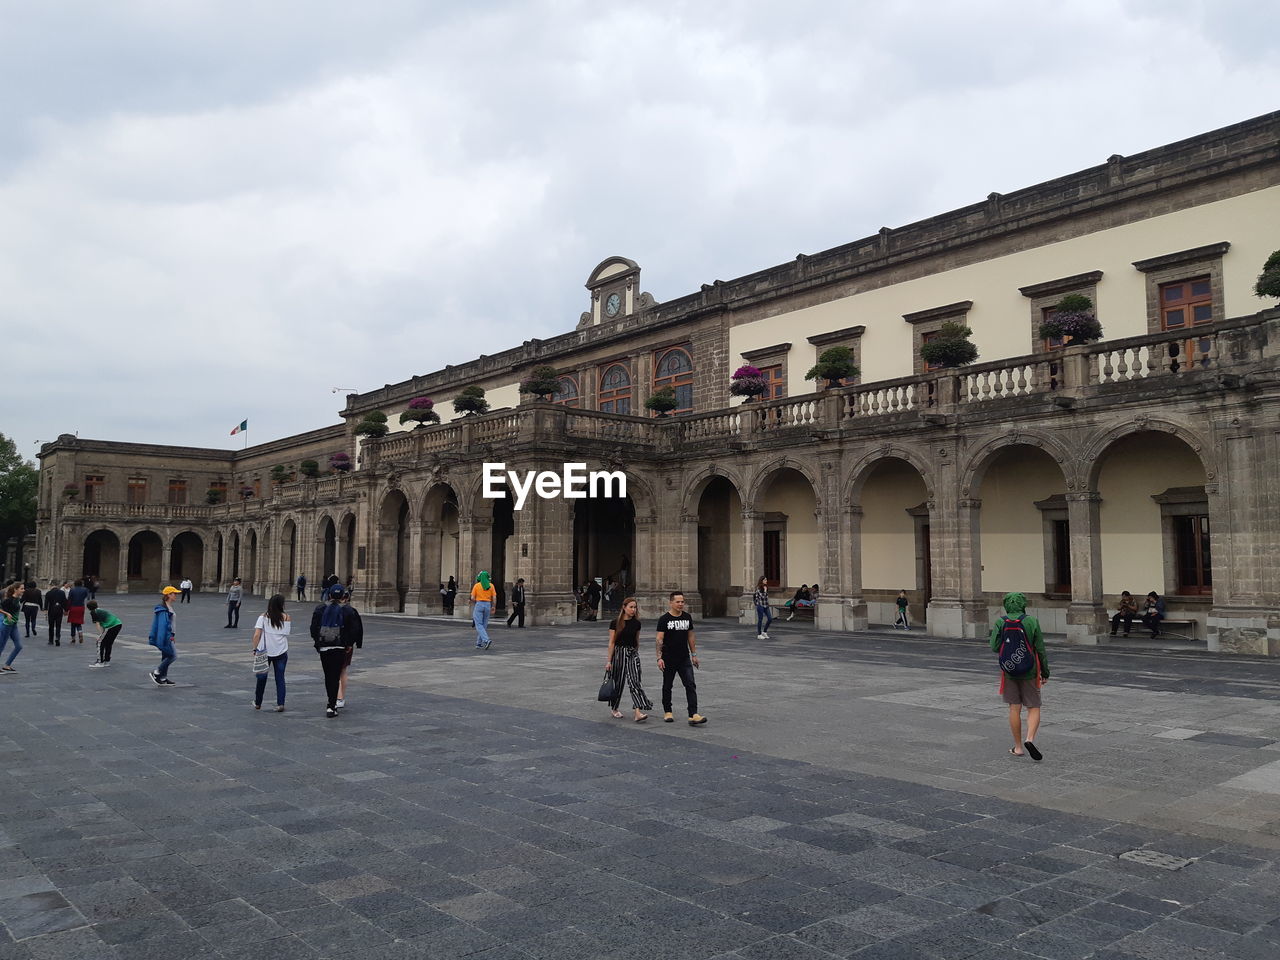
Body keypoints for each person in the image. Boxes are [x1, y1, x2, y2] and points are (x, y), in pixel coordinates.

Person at [988, 592, 1049, 761]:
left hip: (1009, 670)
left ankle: (1018, 747)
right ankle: (1029, 739)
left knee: (1014, 708)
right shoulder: (1031, 621)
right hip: (1030, 670)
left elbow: (993, 646)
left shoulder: (1001, 621)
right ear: (1023, 604)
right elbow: (1041, 649)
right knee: (1033, 706)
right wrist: (1045, 672)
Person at [656, 591, 706, 726]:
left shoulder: (687, 617)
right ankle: (668, 711)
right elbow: (659, 639)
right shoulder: (664, 619)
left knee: (690, 684)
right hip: (668, 658)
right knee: (667, 685)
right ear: (671, 602)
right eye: (677, 602)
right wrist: (659, 658)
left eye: (682, 601)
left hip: (684, 658)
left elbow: (690, 636)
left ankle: (693, 714)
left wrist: (694, 655)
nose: (680, 604)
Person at [604, 597, 652, 722]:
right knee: (618, 682)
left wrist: (636, 654)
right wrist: (609, 661)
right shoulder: (615, 623)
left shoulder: (637, 623)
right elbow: (612, 643)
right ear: (624, 607)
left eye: (635, 607)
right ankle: (614, 708)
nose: (633, 610)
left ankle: (637, 712)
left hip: (632, 653)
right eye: (631, 607)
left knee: (635, 681)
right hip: (619, 653)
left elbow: (637, 640)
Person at [310, 584, 351, 717]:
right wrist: (349, 644)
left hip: (325, 647)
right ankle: (332, 705)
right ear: (343, 596)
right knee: (336, 675)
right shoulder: (347, 610)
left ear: (329, 595)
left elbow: (313, 628)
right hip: (339, 648)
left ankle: (330, 704)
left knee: (329, 676)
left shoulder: (320, 608)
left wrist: (318, 643)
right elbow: (354, 629)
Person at [252, 594, 291, 712]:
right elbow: (285, 633)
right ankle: (280, 704)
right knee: (280, 678)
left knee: (261, 678)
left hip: (265, 651)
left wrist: (255, 649)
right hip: (281, 650)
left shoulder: (263, 617)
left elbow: (257, 635)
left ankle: (258, 702)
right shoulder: (287, 617)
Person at [335, 590, 363, 710]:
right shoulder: (351, 611)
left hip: (330, 644)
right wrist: (354, 643)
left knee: (333, 671)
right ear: (346, 598)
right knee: (342, 670)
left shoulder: (326, 609)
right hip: (346, 645)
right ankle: (340, 697)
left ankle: (336, 696)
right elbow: (357, 628)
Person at [147, 586, 181, 685]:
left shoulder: (168, 607)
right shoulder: (163, 609)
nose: (176, 595)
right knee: (173, 656)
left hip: (169, 635)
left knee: (166, 656)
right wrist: (166, 637)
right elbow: (163, 626)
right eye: (174, 593)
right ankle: (156, 672)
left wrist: (173, 634)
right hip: (165, 636)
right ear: (168, 595)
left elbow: (171, 623)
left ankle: (162, 678)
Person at [87, 600, 122, 666]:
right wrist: (102, 634)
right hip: (118, 624)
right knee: (108, 643)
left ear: (88, 608)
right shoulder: (99, 610)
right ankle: (107, 661)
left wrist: (100, 635)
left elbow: (98, 624)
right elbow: (103, 624)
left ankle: (100, 662)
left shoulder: (93, 612)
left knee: (99, 642)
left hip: (111, 625)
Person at [0, 584, 22, 672]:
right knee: (1, 646)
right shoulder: (9, 600)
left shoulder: (18, 599)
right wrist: (7, 614)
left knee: (19, 646)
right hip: (6, 624)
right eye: (22, 589)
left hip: (14, 625)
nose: (23, 590)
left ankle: (7, 665)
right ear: (16, 590)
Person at [472, 571, 496, 649]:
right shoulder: (491, 586)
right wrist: (493, 606)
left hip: (479, 604)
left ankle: (486, 640)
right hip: (488, 604)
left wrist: (475, 601)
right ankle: (478, 643)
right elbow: (494, 597)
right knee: (484, 624)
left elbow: (472, 598)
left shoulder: (477, 586)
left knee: (478, 624)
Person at [44, 580, 67, 646]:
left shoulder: (48, 593)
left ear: (51, 585)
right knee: (58, 625)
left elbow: (46, 605)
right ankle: (57, 638)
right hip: (59, 610)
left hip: (51, 610)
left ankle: (51, 640)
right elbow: (64, 602)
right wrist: (65, 610)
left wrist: (45, 613)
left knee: (51, 626)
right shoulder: (62, 592)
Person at [67, 578, 90, 643]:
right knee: (78, 622)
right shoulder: (85, 589)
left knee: (73, 623)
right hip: (81, 607)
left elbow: (69, 600)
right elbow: (88, 597)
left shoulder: (72, 590)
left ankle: (73, 638)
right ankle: (80, 633)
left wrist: (67, 609)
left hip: (73, 607)